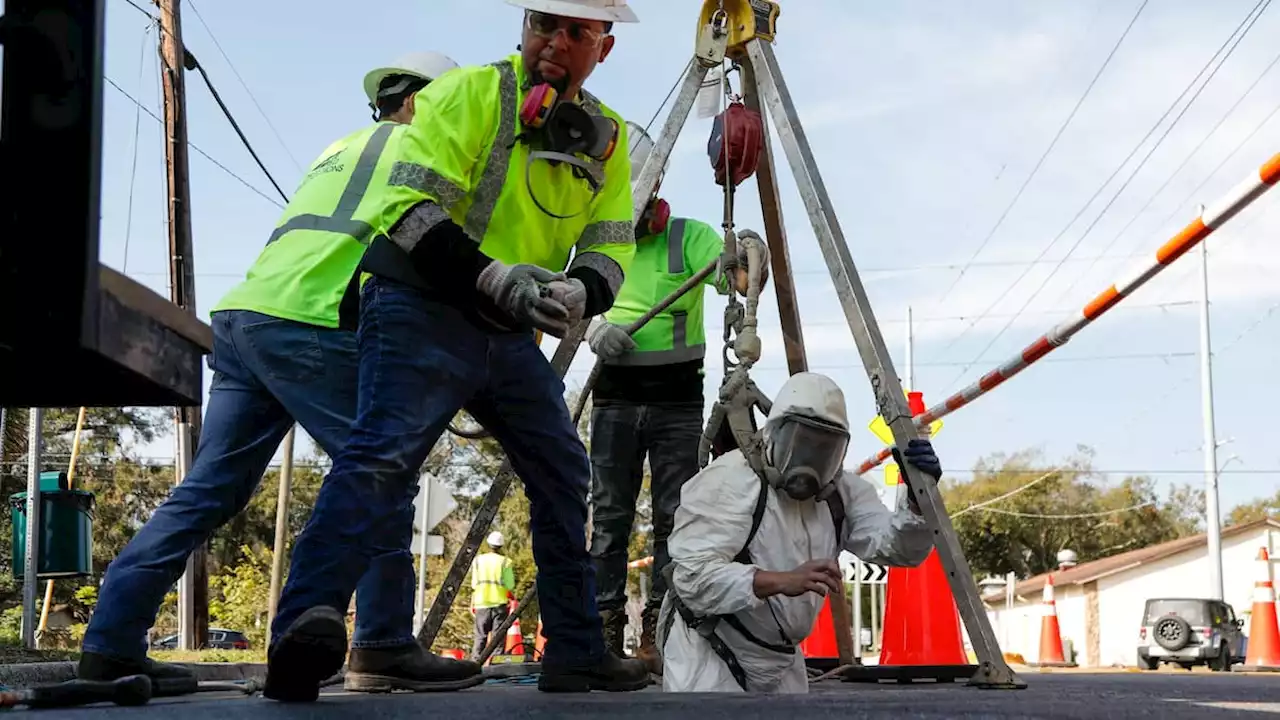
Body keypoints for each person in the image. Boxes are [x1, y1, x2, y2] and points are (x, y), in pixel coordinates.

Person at [264, 0, 651, 702]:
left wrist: (582, 293)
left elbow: (610, 239)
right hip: (419, 305)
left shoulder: (607, 138)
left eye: (576, 31)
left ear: (605, 47)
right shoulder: (466, 95)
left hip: (506, 332)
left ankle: (576, 653)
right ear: (523, 29)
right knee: (381, 455)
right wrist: (490, 275)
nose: (555, 43)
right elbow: (407, 209)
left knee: (563, 469)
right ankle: (302, 635)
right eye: (543, 25)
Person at [77, 52, 485, 696]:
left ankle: (110, 642)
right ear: (427, 103)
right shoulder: (426, 153)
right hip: (312, 319)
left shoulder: (341, 145)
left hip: (247, 317)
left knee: (208, 489)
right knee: (380, 473)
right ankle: (383, 643)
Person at [585, 122, 768, 674]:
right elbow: (569, 296)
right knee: (610, 517)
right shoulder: (598, 241)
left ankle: (660, 633)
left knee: (675, 517)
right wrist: (592, 326)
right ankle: (602, 633)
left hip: (676, 403)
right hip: (615, 396)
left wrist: (749, 252)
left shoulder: (688, 238)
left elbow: (739, 278)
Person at [659, 372, 941, 693]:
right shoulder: (729, 481)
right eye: (801, 443)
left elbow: (900, 550)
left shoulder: (841, 493)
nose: (810, 461)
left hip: (782, 662)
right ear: (772, 434)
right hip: (709, 655)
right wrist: (780, 581)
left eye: (825, 449)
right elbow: (692, 580)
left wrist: (918, 500)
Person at [471, 531, 517, 659]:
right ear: (501, 546)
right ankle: (496, 667)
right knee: (498, 638)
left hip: (481, 603)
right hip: (499, 604)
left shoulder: (478, 561)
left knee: (480, 636)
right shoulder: (506, 562)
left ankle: (475, 664)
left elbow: (474, 584)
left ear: (488, 544)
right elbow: (510, 585)